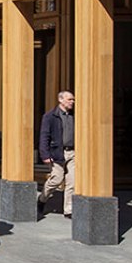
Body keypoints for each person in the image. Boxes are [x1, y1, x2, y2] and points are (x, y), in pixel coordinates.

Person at [38, 89, 76, 217]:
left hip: (72, 152)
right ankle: (42, 199)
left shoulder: (74, 116)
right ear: (60, 100)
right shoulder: (50, 116)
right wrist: (45, 154)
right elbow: (44, 136)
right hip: (57, 153)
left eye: (73, 99)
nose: (72, 102)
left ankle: (68, 209)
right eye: (70, 99)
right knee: (56, 179)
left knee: (72, 181)